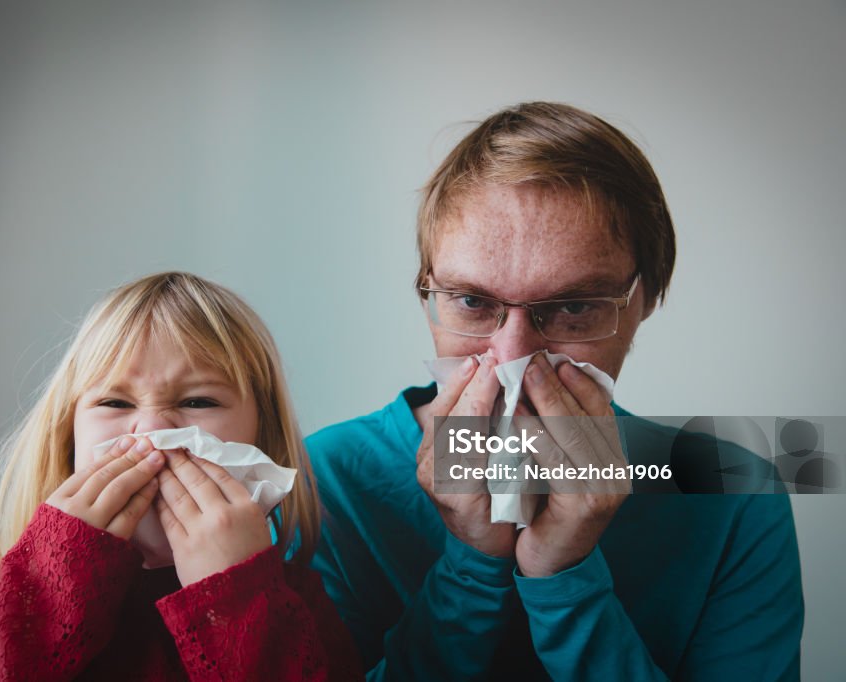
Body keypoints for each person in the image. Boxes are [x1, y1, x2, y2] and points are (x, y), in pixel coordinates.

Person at [307, 102, 803, 680]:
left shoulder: (736, 495)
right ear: (428, 292)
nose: (514, 357)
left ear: (646, 300)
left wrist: (566, 579)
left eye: (572, 307)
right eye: (472, 301)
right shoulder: (326, 481)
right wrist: (469, 568)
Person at [0, 272, 362, 681]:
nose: (154, 431)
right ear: (66, 441)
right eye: (116, 403)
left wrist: (237, 597)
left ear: (263, 440)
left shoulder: (293, 604)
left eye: (198, 401)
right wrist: (53, 581)